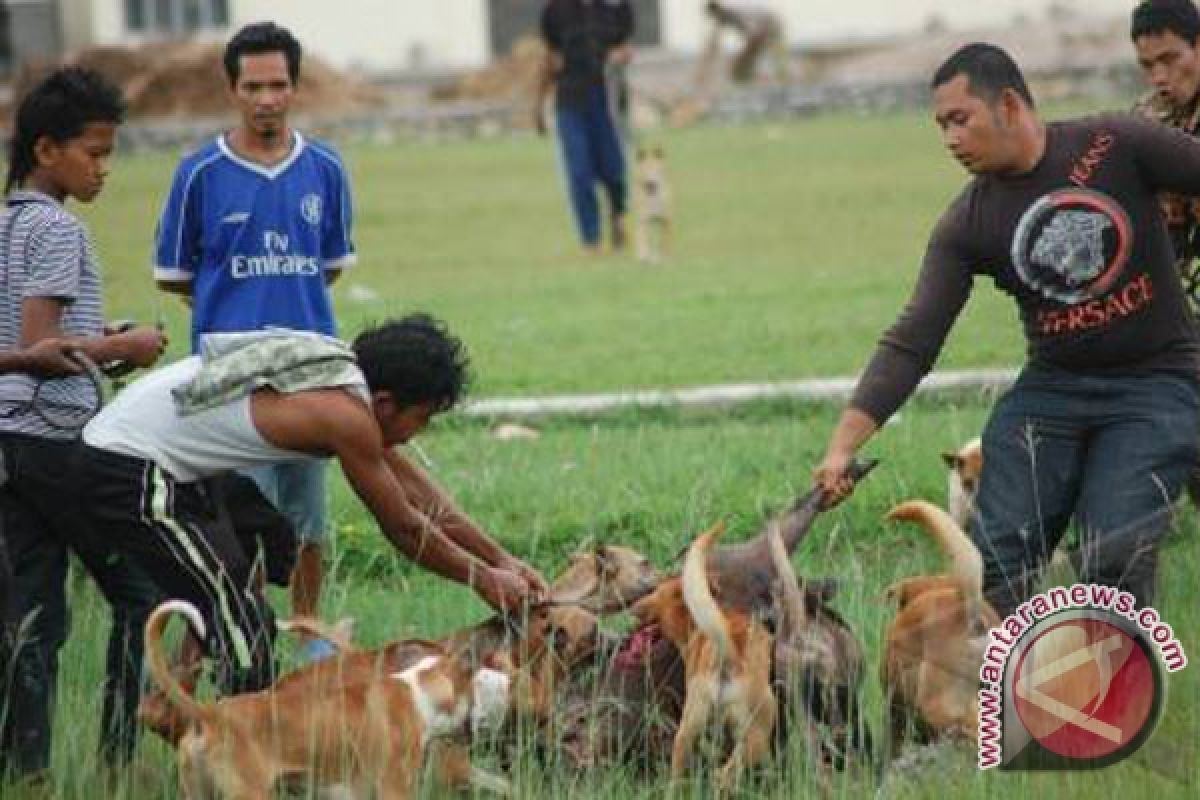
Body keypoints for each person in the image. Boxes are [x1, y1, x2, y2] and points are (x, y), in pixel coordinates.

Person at [814, 43, 1200, 618]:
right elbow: (913, 338)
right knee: (998, 556)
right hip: (1055, 389)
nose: (949, 138)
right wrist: (843, 446)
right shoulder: (968, 221)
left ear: (1010, 104)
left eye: (959, 119)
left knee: (1113, 552)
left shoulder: (1114, 145)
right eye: (940, 125)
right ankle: (1003, 693)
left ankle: (1112, 697)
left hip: (1158, 380)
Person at [79, 315, 547, 697]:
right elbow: (404, 527)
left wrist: (500, 559)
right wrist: (483, 580)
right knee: (244, 625)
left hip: (169, 463)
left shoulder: (347, 382)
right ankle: (244, 747)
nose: (416, 433)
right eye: (420, 419)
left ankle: (172, 706)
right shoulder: (344, 415)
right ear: (384, 402)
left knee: (268, 543)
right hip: (125, 464)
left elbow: (425, 499)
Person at [153, 22, 356, 660]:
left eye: (278, 85)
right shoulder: (200, 174)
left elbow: (327, 266)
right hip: (231, 387)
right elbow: (178, 276)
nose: (267, 98)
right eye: (253, 87)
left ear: (295, 87)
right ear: (233, 90)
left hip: (309, 376)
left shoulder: (325, 169)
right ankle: (238, 637)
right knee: (234, 523)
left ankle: (309, 638)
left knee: (308, 520)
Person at [0, 67, 167, 778]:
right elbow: (44, 351)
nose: (103, 170)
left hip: (8, 446)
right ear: (47, 150)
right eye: (93, 153)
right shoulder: (58, 229)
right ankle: (119, 760)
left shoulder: (6, 220)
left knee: (30, 618)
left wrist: (93, 336)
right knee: (143, 592)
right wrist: (124, 347)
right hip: (54, 440)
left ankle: (26, 771)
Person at [535, 0, 634, 253]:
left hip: (607, 100)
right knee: (579, 171)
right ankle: (591, 240)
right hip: (570, 100)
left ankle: (619, 218)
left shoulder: (615, 7)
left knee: (614, 170)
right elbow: (550, 59)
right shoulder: (555, 10)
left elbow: (625, 48)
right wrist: (537, 106)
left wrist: (619, 55)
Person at [703, 2, 790, 84]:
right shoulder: (731, 16)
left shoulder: (735, 15)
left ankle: (778, 74)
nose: (717, 21)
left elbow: (753, 32)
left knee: (756, 51)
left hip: (769, 27)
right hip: (766, 29)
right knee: (753, 53)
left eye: (716, 17)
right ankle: (748, 73)